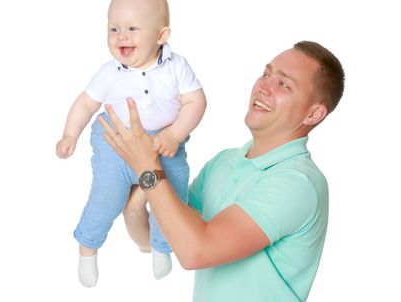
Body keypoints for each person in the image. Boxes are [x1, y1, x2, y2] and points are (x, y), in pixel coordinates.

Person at [100, 41, 345, 301]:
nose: (263, 87)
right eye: (266, 74)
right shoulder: (224, 162)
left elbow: (196, 251)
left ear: (314, 114)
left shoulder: (298, 184)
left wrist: (148, 168)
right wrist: (136, 198)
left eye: (283, 84)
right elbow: (159, 239)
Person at [55, 0, 207, 287]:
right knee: (105, 200)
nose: (121, 35)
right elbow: (86, 103)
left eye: (132, 28)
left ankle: (162, 247)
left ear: (161, 36)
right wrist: (69, 134)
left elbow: (196, 101)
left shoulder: (177, 67)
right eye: (114, 28)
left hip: (164, 145)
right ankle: (88, 249)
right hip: (114, 145)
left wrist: (175, 134)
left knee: (174, 198)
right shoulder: (110, 72)